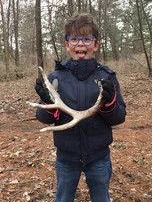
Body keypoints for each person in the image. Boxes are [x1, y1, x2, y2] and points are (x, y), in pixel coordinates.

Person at [35, 12, 126, 202]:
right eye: (74, 39)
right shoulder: (55, 78)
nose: (81, 44)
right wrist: (47, 103)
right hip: (67, 156)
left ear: (96, 44)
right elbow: (44, 119)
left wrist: (108, 103)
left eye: (87, 39)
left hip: (99, 156)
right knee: (63, 198)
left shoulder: (107, 77)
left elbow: (119, 117)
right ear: (67, 44)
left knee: (102, 198)